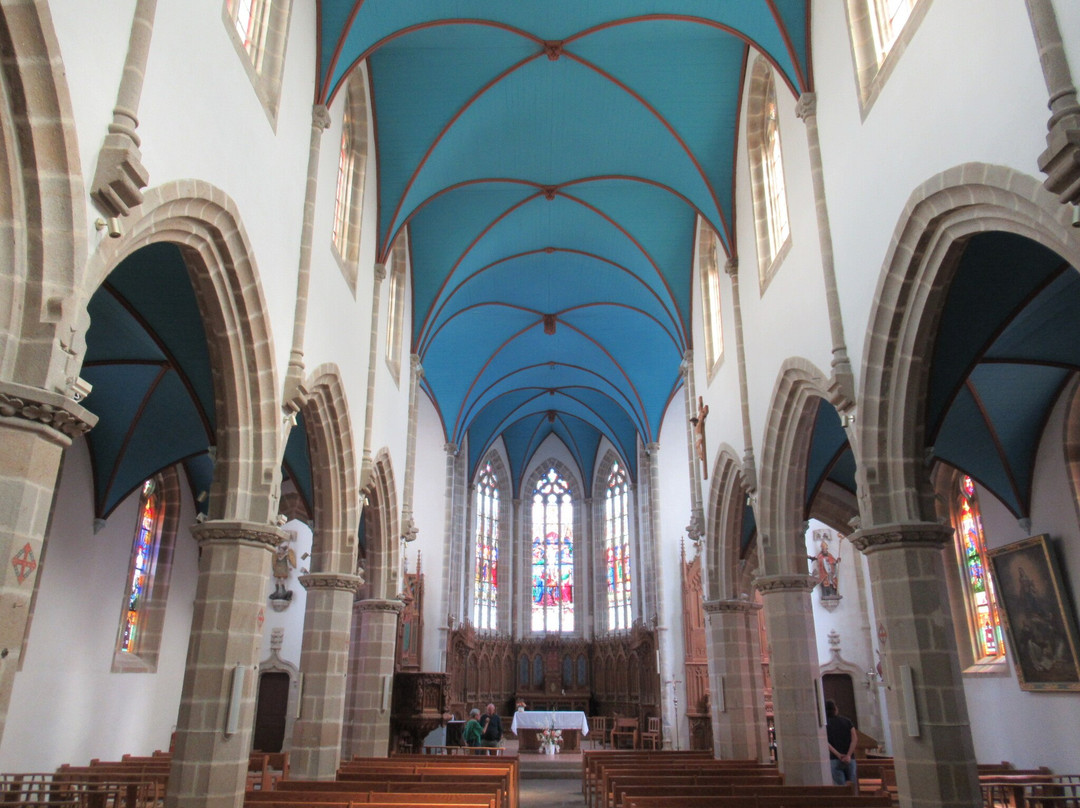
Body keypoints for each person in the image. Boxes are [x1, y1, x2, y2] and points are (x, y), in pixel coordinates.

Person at [825, 700, 858, 785]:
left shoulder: (825, 725)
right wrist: (848, 755)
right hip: (850, 759)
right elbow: (854, 739)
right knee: (853, 787)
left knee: (840, 788)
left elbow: (826, 742)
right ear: (835, 709)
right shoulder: (847, 721)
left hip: (834, 759)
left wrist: (838, 755)